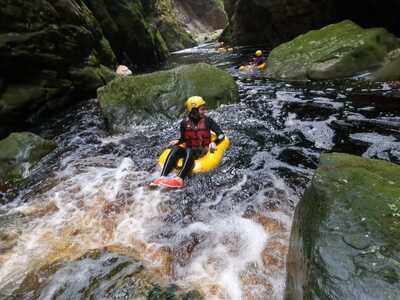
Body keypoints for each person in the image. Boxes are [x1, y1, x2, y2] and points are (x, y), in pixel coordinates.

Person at [151, 96, 225, 189]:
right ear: (193, 110)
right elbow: (183, 138)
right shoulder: (184, 123)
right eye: (202, 109)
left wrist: (215, 142)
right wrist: (178, 141)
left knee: (189, 149)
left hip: (202, 149)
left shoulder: (208, 121)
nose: (204, 111)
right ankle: (162, 176)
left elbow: (221, 135)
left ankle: (179, 180)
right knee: (177, 149)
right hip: (190, 148)